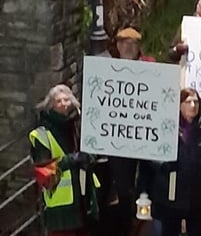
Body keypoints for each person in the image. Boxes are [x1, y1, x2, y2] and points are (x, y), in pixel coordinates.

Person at [138, 88, 201, 236]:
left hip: (198, 195)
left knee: (196, 231)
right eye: (188, 101)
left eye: (196, 101)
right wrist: (163, 164)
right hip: (170, 193)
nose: (193, 105)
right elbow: (149, 155)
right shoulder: (165, 126)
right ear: (178, 104)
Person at [29, 85, 99, 236]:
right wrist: (72, 160)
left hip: (81, 196)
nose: (63, 104)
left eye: (66, 99)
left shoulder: (75, 124)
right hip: (60, 202)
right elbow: (44, 170)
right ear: (50, 104)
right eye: (58, 101)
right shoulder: (42, 133)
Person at [107, 27, 155, 236]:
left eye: (132, 44)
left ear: (138, 47)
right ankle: (127, 223)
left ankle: (143, 222)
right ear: (117, 46)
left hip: (146, 137)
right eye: (124, 43)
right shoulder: (108, 69)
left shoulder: (150, 66)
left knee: (146, 182)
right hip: (120, 139)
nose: (128, 47)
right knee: (123, 185)